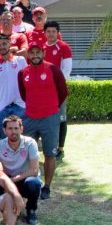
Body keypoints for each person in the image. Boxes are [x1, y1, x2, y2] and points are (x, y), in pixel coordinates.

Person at [18, 42, 68, 200]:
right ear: (28, 55)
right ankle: (30, 182)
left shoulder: (53, 69)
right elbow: (23, 94)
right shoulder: (22, 72)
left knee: (49, 154)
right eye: (31, 53)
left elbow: (63, 92)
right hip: (30, 117)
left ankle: (47, 186)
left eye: (37, 52)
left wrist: (51, 108)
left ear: (43, 53)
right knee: (27, 154)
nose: (35, 56)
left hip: (50, 118)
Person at [0, 116, 43, 225]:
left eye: (16, 128)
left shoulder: (30, 143)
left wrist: (12, 180)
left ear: (21, 129)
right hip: (8, 177)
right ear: (4, 130)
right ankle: (5, 207)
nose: (14, 131)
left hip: (26, 178)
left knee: (34, 184)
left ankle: (31, 209)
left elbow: (34, 170)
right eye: (10, 128)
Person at [43, 20, 72, 160]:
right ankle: (49, 147)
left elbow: (67, 70)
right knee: (46, 119)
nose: (51, 34)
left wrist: (55, 84)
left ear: (58, 33)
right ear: (45, 33)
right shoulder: (41, 48)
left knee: (61, 118)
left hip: (58, 90)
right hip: (44, 91)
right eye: (48, 31)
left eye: (54, 31)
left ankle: (60, 149)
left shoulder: (64, 47)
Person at [0, 34, 28, 135]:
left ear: (9, 44)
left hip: (20, 105)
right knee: (5, 138)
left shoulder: (21, 60)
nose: (2, 46)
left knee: (21, 138)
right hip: (3, 107)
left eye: (4, 43)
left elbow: (27, 82)